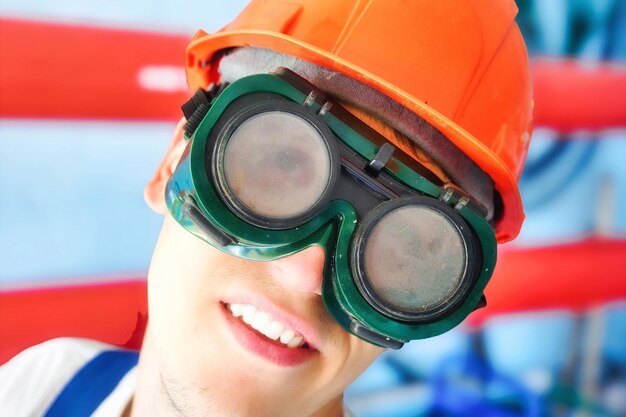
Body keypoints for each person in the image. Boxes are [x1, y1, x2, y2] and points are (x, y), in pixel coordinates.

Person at [0, 1, 533, 416]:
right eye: (278, 164)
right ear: (174, 162)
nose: (306, 274)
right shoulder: (39, 387)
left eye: (406, 247)